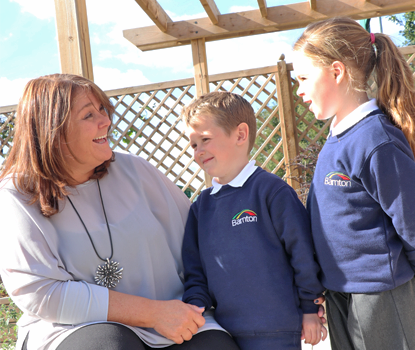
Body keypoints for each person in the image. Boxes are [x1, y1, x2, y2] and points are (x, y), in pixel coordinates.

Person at [0, 74, 241, 350]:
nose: (106, 121)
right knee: (110, 345)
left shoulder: (135, 171)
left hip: (176, 318)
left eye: (102, 109)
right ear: (52, 129)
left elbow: (197, 243)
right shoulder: (16, 195)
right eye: (89, 115)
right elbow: (41, 293)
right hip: (73, 329)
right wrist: (153, 313)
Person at [293, 16, 415, 350]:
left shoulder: (375, 139)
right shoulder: (336, 139)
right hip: (340, 292)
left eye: (303, 77)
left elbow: (411, 221)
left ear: (337, 71)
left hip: (380, 294)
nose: (299, 89)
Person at [180, 91, 327, 350]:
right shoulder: (200, 207)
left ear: (240, 135)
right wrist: (195, 305)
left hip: (276, 330)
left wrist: (309, 309)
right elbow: (195, 270)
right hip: (221, 334)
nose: (198, 152)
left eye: (205, 140)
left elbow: (303, 255)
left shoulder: (272, 192)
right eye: (193, 145)